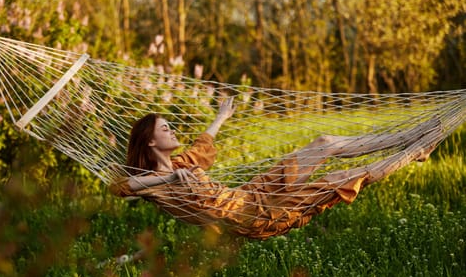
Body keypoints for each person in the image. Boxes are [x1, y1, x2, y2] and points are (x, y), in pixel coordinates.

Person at [110, 98, 442, 239]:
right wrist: (170, 177)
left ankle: (409, 134)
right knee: (337, 180)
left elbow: (203, 144)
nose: (173, 130)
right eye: (165, 128)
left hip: (253, 193)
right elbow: (121, 188)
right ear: (150, 142)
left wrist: (222, 116)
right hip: (257, 216)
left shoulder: (183, 162)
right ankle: (414, 151)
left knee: (323, 141)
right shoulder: (154, 182)